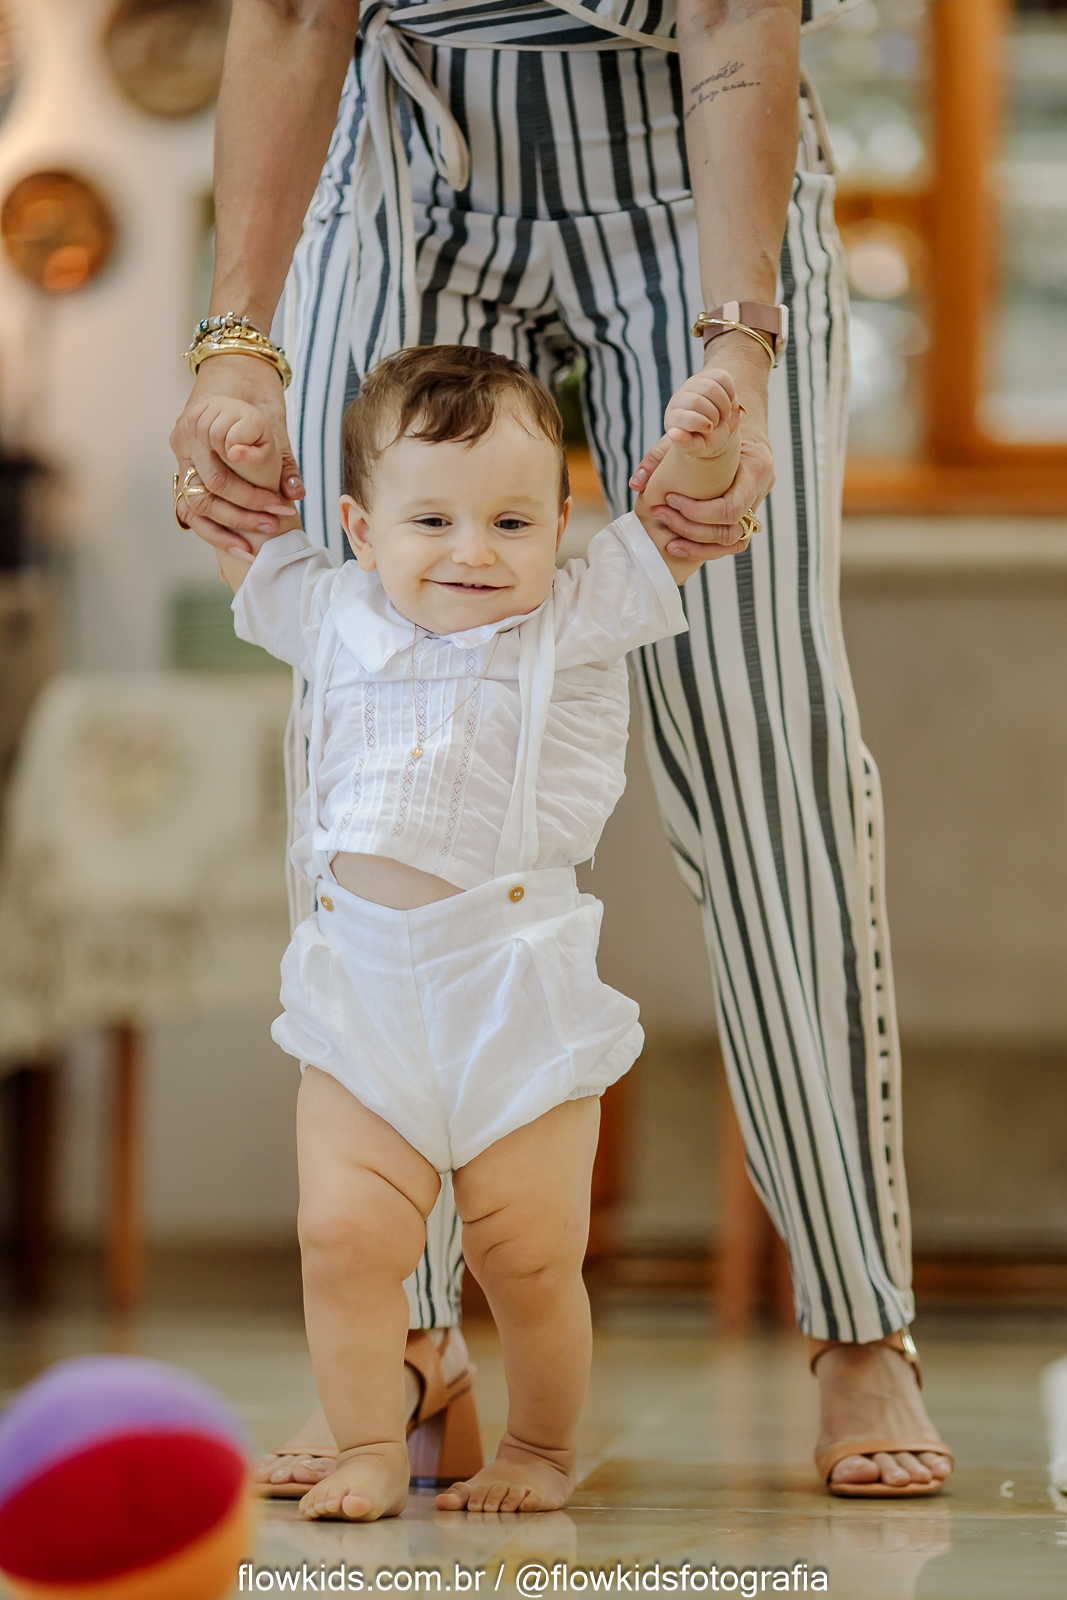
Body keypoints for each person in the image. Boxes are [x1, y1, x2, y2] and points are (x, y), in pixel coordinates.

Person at [171, 0, 954, 1497]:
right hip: (409, 159)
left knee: (762, 750)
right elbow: (290, 9)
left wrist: (737, 342)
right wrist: (236, 345)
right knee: (361, 702)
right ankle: (405, 1341)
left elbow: (732, 10)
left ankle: (858, 1319)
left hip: (686, 178)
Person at [212, 344, 742, 1519]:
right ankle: (367, 1442)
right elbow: (239, 539)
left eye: (511, 521)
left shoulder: (573, 619)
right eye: (432, 520)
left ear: (560, 524)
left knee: (528, 1255)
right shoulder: (332, 613)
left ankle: (538, 1449)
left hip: (511, 993)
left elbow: (673, 534)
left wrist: (703, 452)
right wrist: (237, 448)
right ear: (360, 529)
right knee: (342, 1237)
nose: (473, 550)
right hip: (361, 995)